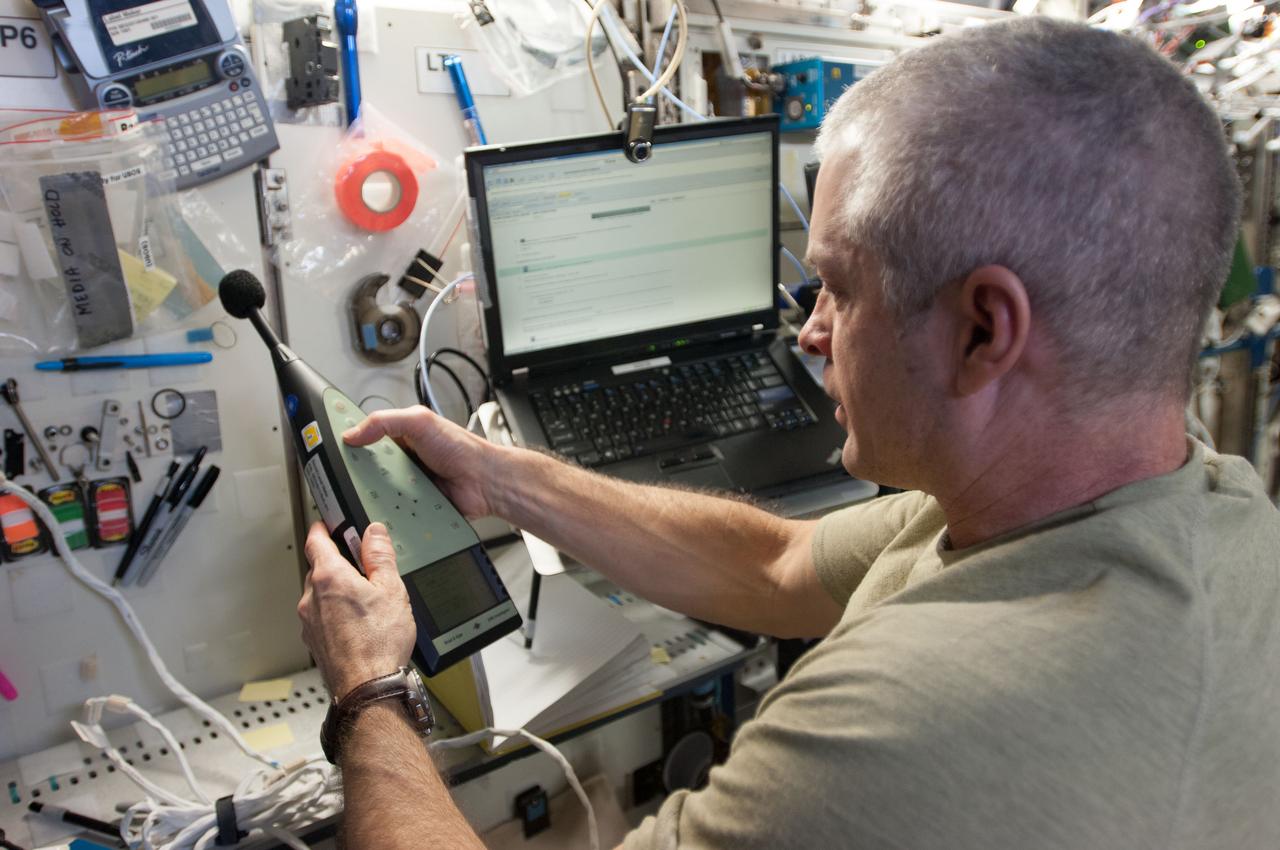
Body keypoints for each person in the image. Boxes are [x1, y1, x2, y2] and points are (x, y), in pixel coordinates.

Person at [296, 16, 1280, 849]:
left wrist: (370, 693)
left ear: (984, 330)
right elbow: (780, 565)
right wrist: (503, 477)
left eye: (838, 288)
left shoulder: (897, 731)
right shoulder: (1194, 507)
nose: (808, 333)